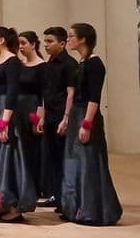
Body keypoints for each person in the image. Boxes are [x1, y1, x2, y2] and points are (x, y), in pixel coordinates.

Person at [59, 23, 122, 225]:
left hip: (87, 116)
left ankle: (93, 210)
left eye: (71, 36)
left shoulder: (95, 64)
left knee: (89, 165)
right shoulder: (82, 62)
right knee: (75, 164)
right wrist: (68, 118)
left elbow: (94, 98)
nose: (68, 39)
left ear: (83, 39)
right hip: (77, 114)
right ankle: (76, 207)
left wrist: (86, 124)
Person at [0, 27, 36, 223]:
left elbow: (12, 92)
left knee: (9, 159)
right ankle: (2, 203)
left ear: (2, 40)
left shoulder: (12, 61)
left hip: (7, 112)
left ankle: (14, 207)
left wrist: (5, 121)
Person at [38, 26, 77, 209]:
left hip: (62, 116)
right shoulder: (49, 64)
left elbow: (71, 93)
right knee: (51, 157)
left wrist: (66, 117)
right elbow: (46, 93)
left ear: (62, 43)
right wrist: (42, 116)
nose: (46, 44)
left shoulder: (69, 64)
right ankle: (56, 194)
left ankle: (67, 199)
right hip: (50, 115)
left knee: (64, 158)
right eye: (45, 41)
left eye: (50, 41)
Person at [17, 31, 46, 198]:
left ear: (33, 44)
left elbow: (44, 94)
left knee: (32, 148)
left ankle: (35, 185)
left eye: (24, 43)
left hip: (32, 107)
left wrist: (39, 116)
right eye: (19, 44)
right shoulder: (20, 65)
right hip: (19, 108)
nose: (21, 47)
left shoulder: (42, 66)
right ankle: (23, 183)